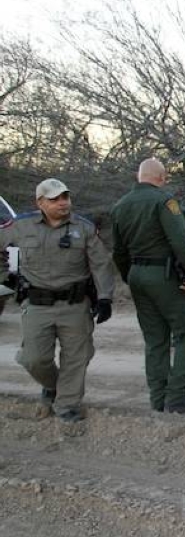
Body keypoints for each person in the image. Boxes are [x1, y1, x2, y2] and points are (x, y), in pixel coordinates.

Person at [0, 178, 115, 422]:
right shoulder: (21, 226)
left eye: (65, 197)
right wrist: (6, 275)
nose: (62, 203)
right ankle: (53, 386)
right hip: (36, 304)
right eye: (55, 199)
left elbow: (101, 264)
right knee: (33, 359)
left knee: (77, 357)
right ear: (40, 202)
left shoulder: (83, 228)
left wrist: (105, 298)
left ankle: (67, 406)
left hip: (75, 304)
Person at [111, 158, 185, 414]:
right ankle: (177, 394)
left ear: (138, 176)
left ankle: (158, 397)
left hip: (136, 274)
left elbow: (118, 250)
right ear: (162, 178)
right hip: (163, 275)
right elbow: (180, 242)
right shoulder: (164, 201)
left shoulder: (120, 206)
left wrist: (130, 275)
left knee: (155, 339)